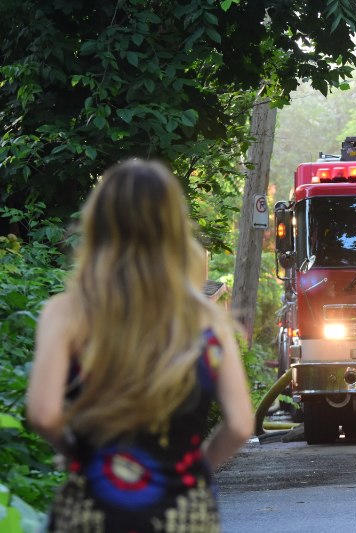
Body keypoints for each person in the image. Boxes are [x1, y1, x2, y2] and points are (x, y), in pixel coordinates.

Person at [26, 159, 253, 532]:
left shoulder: (67, 312)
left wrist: (80, 457)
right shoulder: (207, 322)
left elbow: (44, 415)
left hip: (92, 509)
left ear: (99, 224)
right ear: (174, 228)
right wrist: (195, 469)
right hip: (184, 513)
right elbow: (241, 426)